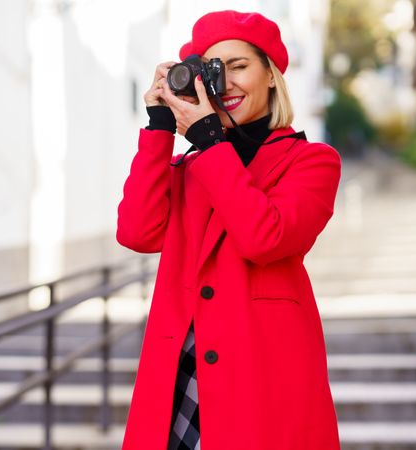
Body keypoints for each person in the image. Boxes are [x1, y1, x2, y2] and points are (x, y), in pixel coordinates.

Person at [116, 10, 341, 450]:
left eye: (240, 66)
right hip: (181, 378)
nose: (229, 84)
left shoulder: (312, 161)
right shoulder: (190, 168)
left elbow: (265, 238)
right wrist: (160, 128)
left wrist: (211, 142)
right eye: (216, 72)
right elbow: (137, 233)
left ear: (272, 75)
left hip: (263, 384)